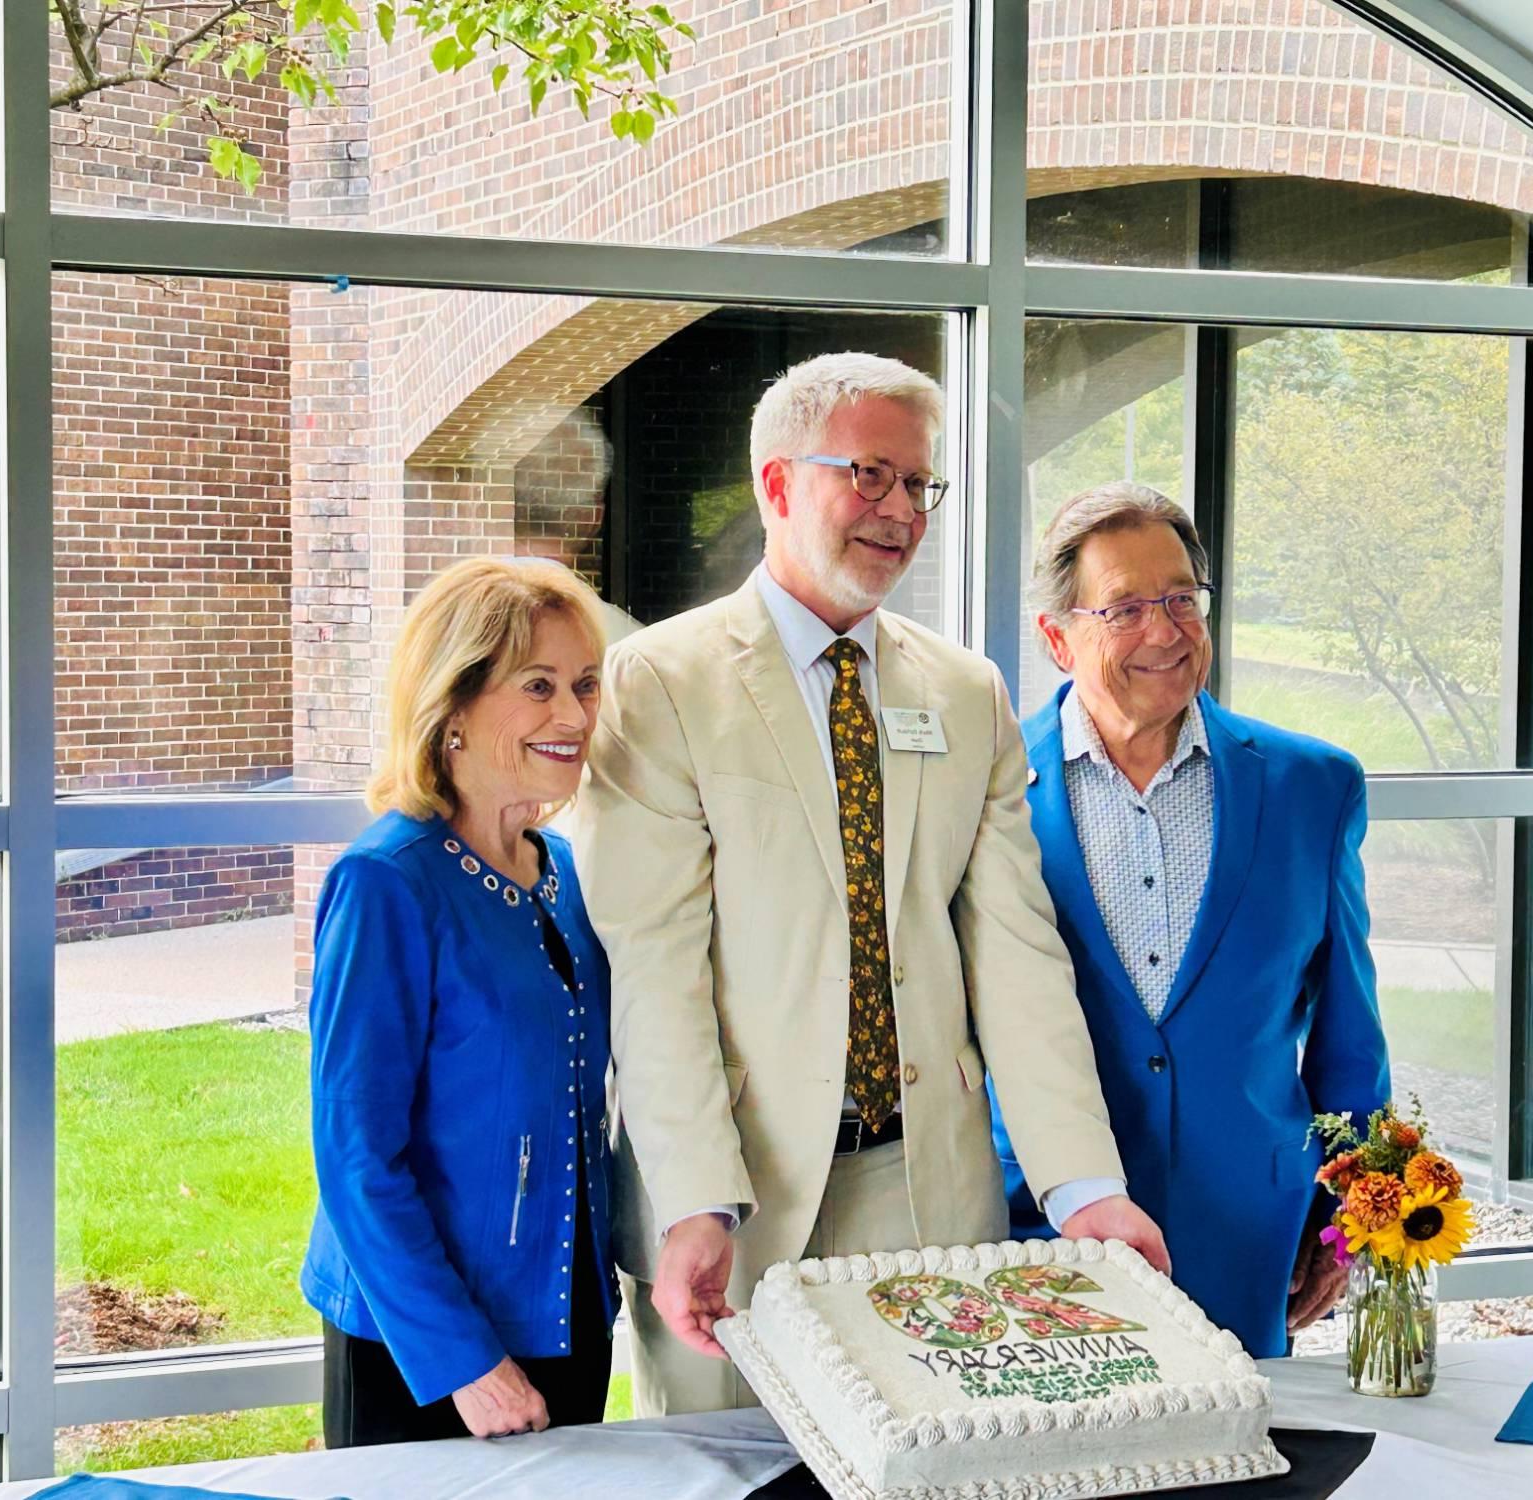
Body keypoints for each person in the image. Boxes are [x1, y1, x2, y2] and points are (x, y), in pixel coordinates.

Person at [573, 352, 1168, 1416]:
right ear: (775, 485)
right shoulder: (658, 683)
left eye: (917, 484)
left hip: (929, 1190)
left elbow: (1017, 959)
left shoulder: (965, 691)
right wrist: (694, 1198)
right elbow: (652, 971)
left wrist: (1085, 1189)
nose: (898, 510)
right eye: (868, 474)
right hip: (738, 1204)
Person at [991, 482, 1392, 1359]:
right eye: (1126, 608)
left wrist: (1347, 1217)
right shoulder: (985, 788)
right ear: (1057, 638)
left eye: (1181, 599)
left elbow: (1349, 1039)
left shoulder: (1310, 787)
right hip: (1039, 1232)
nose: (1165, 632)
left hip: (1250, 1235)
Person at [299, 557, 618, 1447]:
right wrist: (465, 1360)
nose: (575, 716)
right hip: (427, 1345)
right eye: (540, 686)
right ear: (454, 709)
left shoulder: (554, 870)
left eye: (585, 686)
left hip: (564, 1316)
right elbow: (356, 1157)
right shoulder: (387, 883)